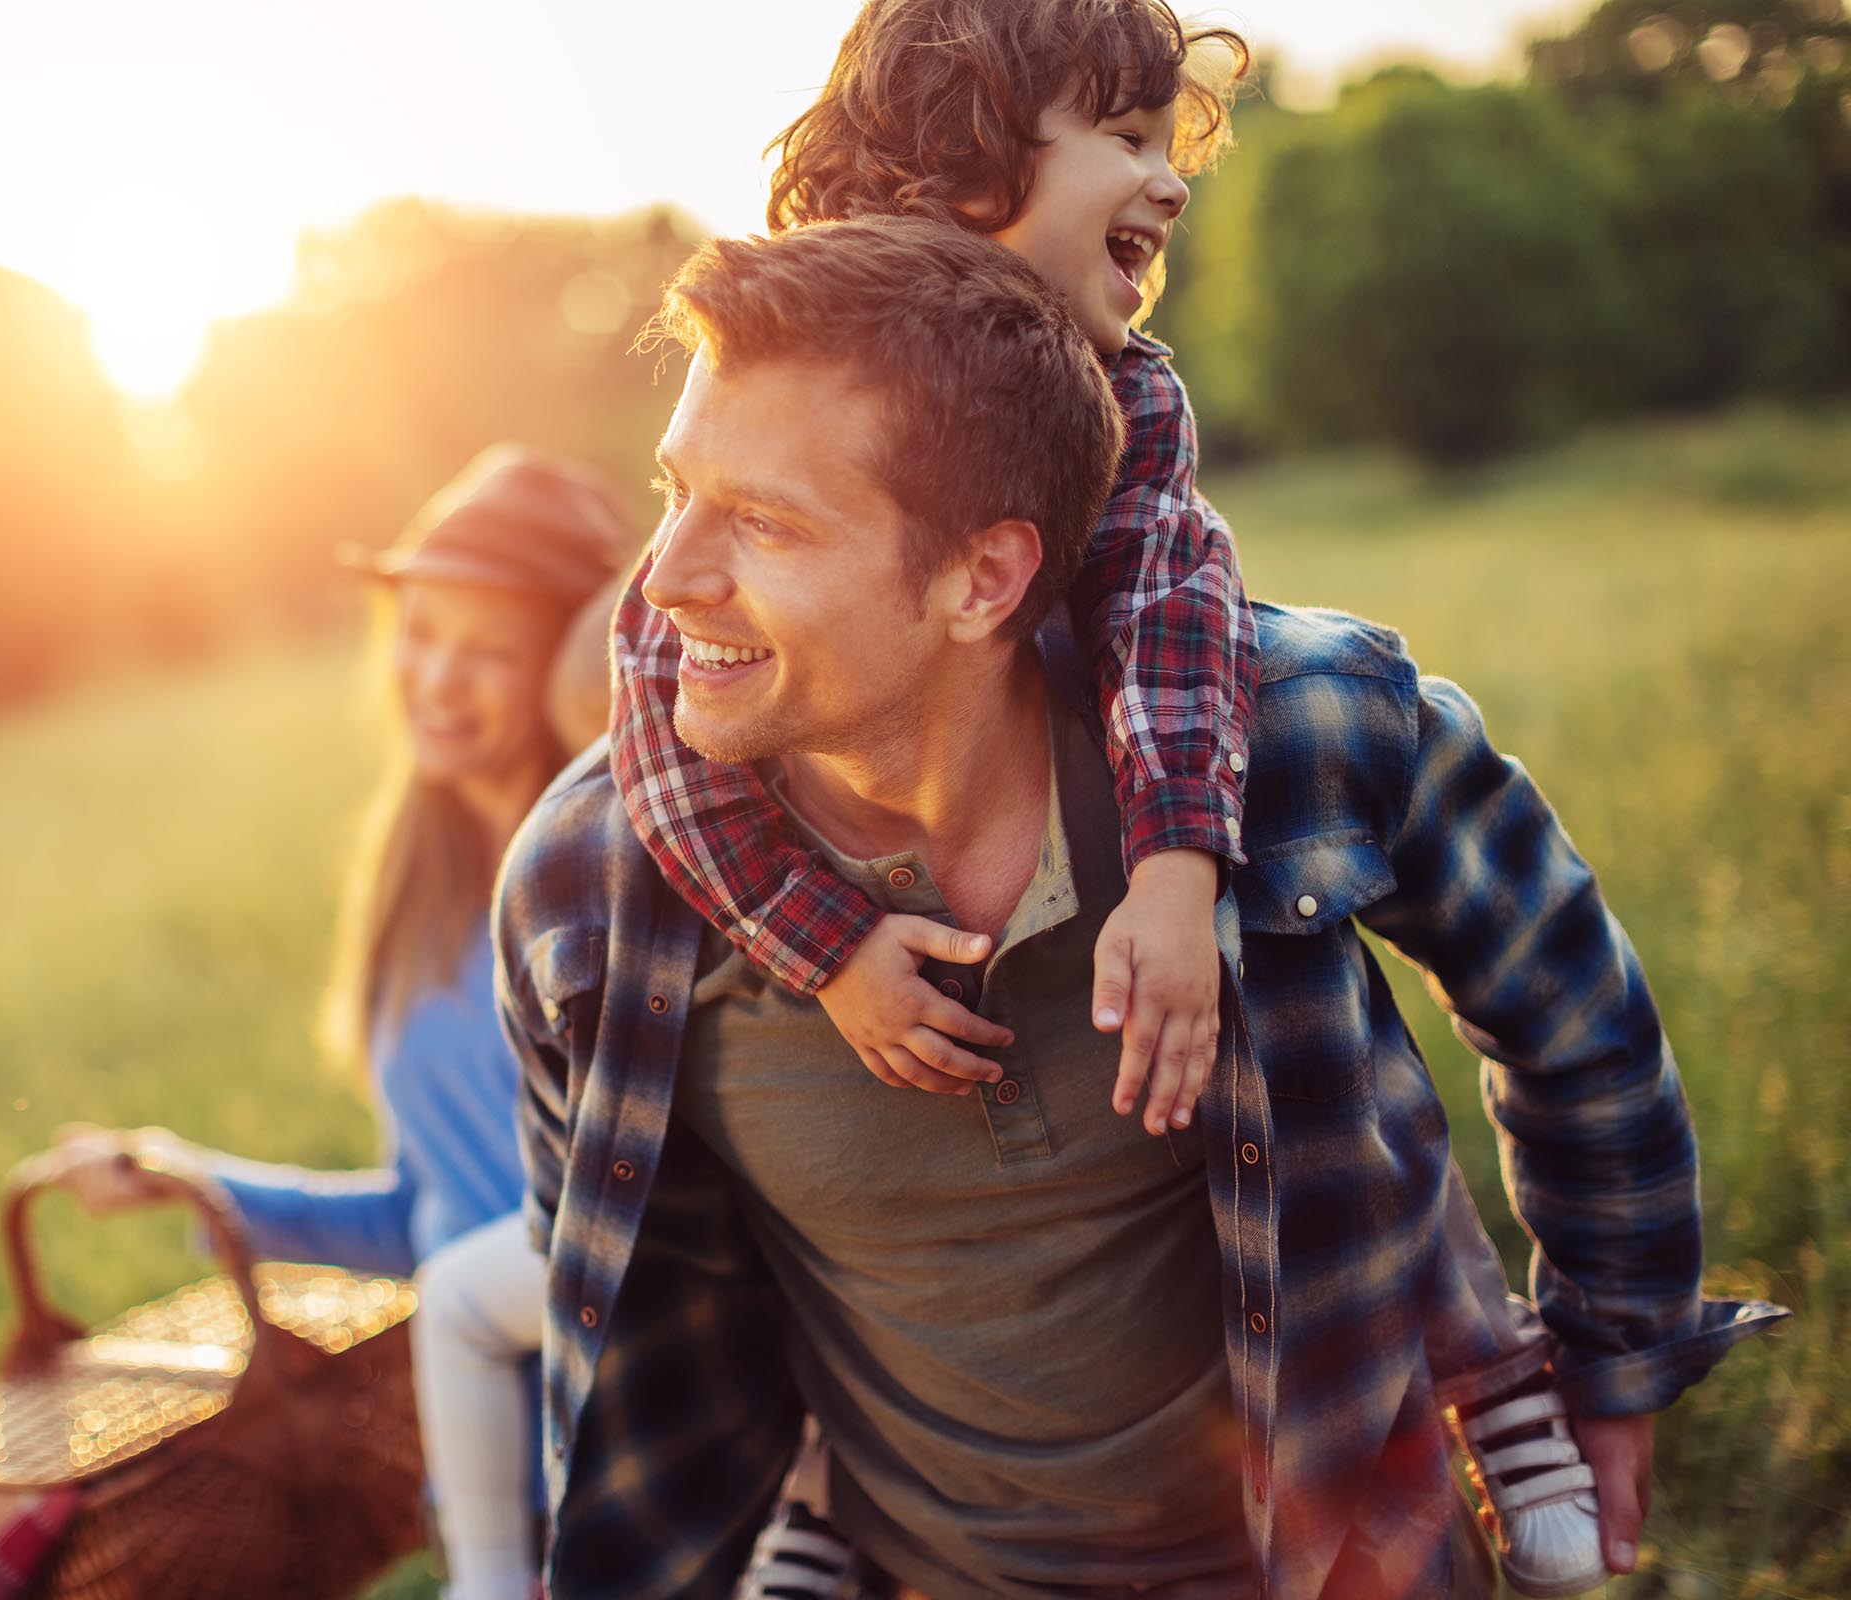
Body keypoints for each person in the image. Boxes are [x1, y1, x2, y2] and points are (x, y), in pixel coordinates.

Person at [493, 216, 1784, 1598]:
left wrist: (1620, 1351)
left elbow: (1573, 1013)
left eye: (763, 520)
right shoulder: (587, 899)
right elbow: (626, 1327)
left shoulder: (1301, 728)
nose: (669, 576)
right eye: (674, 491)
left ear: (983, 576)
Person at [606, 3, 1617, 1591]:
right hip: (931, 1363)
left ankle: (1496, 1382)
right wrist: (825, 945)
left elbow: (1171, 601)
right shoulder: (785, 381)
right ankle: (828, 1498)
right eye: (1126, 139)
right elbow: (659, 718)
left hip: (1136, 858)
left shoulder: (1130, 400)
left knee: (1339, 1072)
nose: (1171, 180)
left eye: (1169, 140)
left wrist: (1174, 867)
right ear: (966, 160)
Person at [39, 445, 635, 1600]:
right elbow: (434, 1213)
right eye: (420, 634)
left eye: (489, 651)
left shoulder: (601, 887)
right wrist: (198, 1185)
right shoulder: (413, 894)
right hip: (484, 1478)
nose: (438, 679)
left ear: (568, 666)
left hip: (623, 1454)